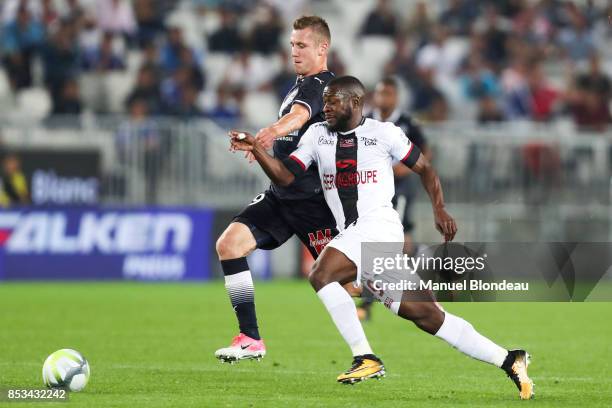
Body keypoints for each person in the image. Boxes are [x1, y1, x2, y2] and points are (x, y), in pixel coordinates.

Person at [230, 76, 534, 400]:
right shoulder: (317, 135)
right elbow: (287, 176)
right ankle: (509, 359)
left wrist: (440, 209)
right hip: (356, 235)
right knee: (428, 316)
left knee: (321, 274)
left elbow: (426, 169)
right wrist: (258, 150)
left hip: (379, 226)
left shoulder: (384, 134)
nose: (327, 108)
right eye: (325, 101)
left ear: (356, 103)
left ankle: (365, 357)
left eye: (333, 101)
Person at [214, 16, 338, 363]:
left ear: (321, 48)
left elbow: (299, 117)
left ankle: (423, 297)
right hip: (282, 195)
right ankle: (250, 338)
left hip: (314, 204)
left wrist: (270, 131)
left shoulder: (323, 85)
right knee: (229, 245)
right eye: (292, 45)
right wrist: (263, 149)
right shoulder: (299, 83)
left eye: (302, 45)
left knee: (357, 285)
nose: (294, 51)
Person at [357, 76, 431, 320]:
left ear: (396, 97)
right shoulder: (365, 120)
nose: (383, 98)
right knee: (401, 241)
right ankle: (422, 263)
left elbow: (424, 152)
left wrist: (404, 168)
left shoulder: (408, 123)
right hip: (371, 189)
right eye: (380, 93)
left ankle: (367, 302)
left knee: (386, 241)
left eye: (388, 94)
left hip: (399, 189)